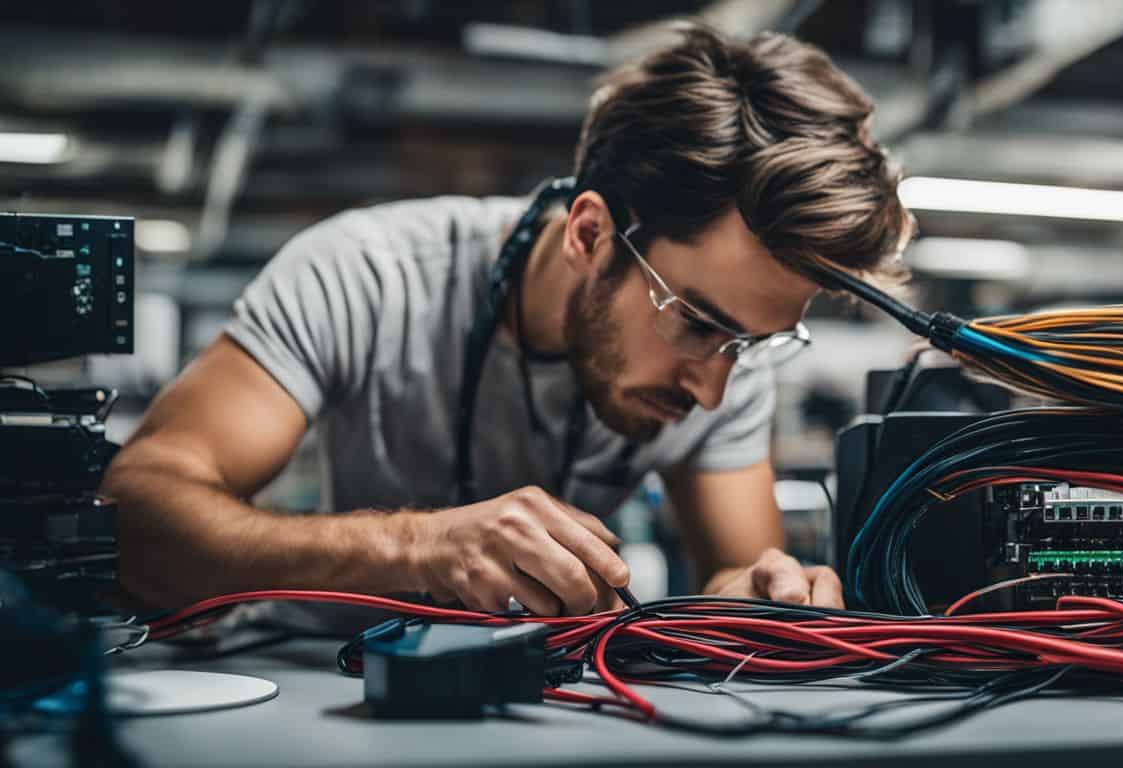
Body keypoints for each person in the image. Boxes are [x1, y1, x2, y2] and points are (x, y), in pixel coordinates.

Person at [102, 24, 914, 622]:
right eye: (698, 325)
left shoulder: (725, 355)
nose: (715, 388)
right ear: (591, 234)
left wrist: (765, 593)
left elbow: (731, 576)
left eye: (754, 343)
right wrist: (418, 546)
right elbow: (137, 514)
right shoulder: (367, 274)